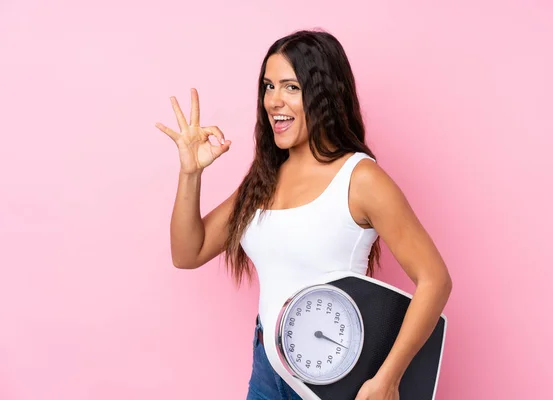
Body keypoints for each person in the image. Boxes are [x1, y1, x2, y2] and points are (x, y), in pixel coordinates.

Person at [155, 29, 452, 400]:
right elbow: (188, 253)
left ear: (324, 94)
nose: (273, 101)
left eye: (290, 87)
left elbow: (434, 279)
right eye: (268, 86)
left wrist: (388, 378)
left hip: (331, 380)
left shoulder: (360, 179)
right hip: (268, 368)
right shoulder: (264, 178)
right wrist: (190, 172)